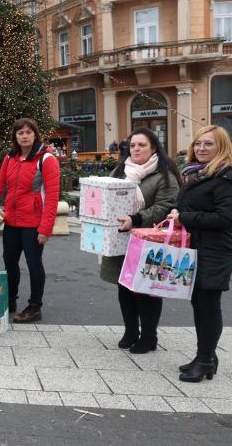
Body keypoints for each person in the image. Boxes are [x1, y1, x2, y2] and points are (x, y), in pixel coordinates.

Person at [99, 127, 181, 353]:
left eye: (142, 145)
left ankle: (149, 336)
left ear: (153, 147)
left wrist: (136, 218)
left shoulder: (164, 175)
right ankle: (130, 330)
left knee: (147, 288)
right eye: (133, 145)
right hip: (122, 240)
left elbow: (166, 206)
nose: (136, 149)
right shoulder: (120, 171)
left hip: (150, 242)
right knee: (124, 286)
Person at [168, 125, 232, 382]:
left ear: (222, 147)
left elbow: (226, 217)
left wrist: (184, 216)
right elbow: (186, 204)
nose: (201, 148)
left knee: (208, 305)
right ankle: (205, 355)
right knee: (199, 303)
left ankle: (205, 360)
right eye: (198, 144)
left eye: (208, 144)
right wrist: (175, 211)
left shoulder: (225, 177)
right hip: (195, 247)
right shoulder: (197, 174)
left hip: (215, 250)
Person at [0, 118, 60, 323]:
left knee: (34, 264)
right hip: (12, 221)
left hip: (33, 223)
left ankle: (35, 306)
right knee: (9, 262)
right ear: (15, 136)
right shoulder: (10, 157)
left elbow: (51, 197)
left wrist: (45, 229)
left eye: (28, 132)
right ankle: (11, 300)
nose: (24, 136)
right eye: (20, 133)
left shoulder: (46, 159)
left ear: (35, 134)